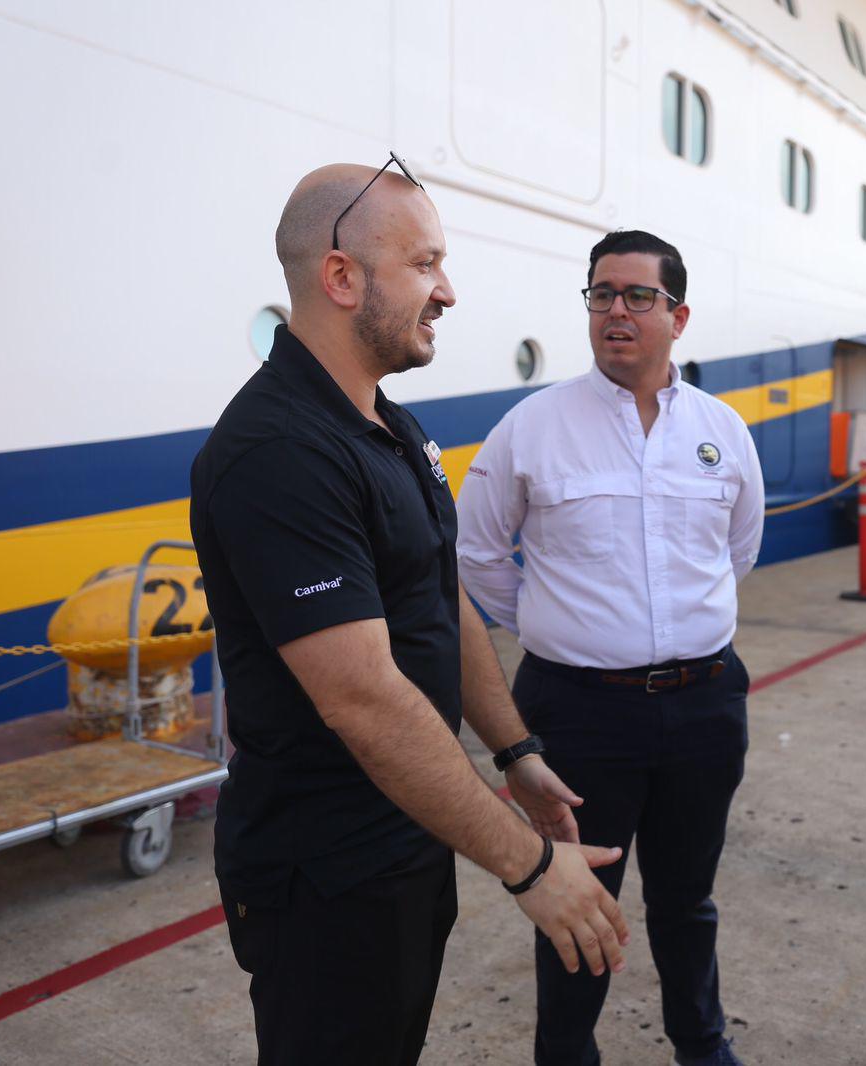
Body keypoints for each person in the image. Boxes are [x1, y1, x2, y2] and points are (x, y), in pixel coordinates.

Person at [190, 157, 630, 1065]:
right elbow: (360, 696)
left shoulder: (391, 426)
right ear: (342, 277)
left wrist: (517, 753)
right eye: (425, 264)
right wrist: (529, 866)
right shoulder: (278, 451)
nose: (449, 292)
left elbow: (440, 597)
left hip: (409, 837)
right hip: (324, 873)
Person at [455, 229, 764, 1066]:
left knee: (687, 899)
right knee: (574, 898)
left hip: (705, 702)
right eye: (601, 294)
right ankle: (565, 1056)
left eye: (638, 296)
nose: (616, 311)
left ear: (679, 315)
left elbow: (738, 551)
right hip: (580, 710)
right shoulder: (532, 427)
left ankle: (702, 1046)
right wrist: (556, 629)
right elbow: (476, 553)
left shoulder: (723, 430)